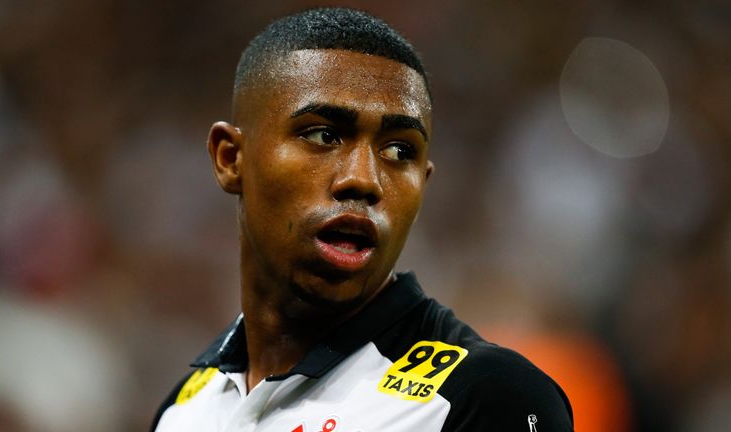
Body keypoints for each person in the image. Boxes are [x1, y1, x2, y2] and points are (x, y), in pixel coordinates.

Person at [151, 7, 573, 432]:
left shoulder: (486, 397)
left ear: (423, 184)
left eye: (399, 151)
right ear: (230, 159)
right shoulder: (184, 411)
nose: (364, 180)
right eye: (323, 135)